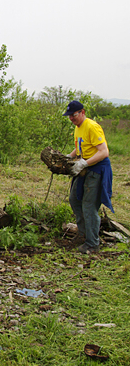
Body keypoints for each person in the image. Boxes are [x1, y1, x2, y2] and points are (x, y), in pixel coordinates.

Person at [64, 100, 113, 254]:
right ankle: (83, 234)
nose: (72, 118)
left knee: (89, 206)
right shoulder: (78, 128)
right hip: (84, 169)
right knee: (74, 199)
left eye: (74, 115)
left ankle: (92, 244)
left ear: (82, 112)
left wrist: (84, 163)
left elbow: (104, 152)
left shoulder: (92, 126)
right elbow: (80, 147)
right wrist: (68, 157)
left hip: (96, 169)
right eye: (69, 116)